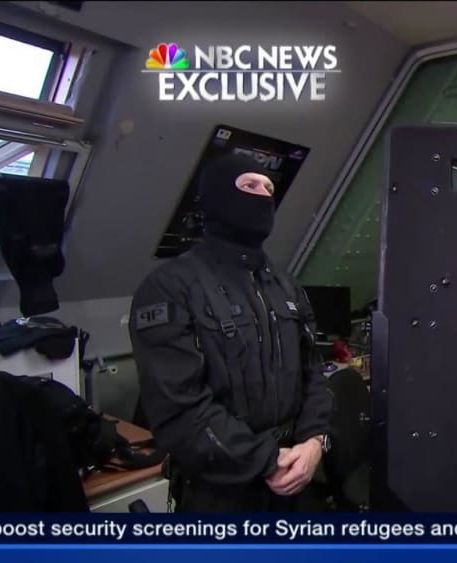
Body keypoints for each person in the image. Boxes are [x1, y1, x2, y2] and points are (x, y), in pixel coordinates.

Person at [128, 152, 333, 512]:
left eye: (269, 188)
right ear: (218, 195)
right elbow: (179, 408)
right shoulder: (170, 288)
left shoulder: (285, 285)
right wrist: (266, 460)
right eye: (250, 185)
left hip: (294, 478)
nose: (264, 195)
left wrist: (315, 442)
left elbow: (313, 374)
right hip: (220, 491)